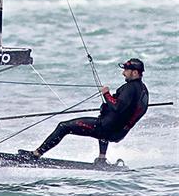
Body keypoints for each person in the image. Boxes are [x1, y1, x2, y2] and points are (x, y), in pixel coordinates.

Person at [20, 58, 149, 164]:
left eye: (126, 70)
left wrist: (106, 94)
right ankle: (102, 158)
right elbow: (132, 110)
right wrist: (108, 110)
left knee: (63, 127)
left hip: (106, 128)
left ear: (135, 73)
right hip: (118, 132)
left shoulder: (130, 88)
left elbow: (117, 107)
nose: (123, 73)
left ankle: (35, 155)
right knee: (104, 124)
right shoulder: (143, 90)